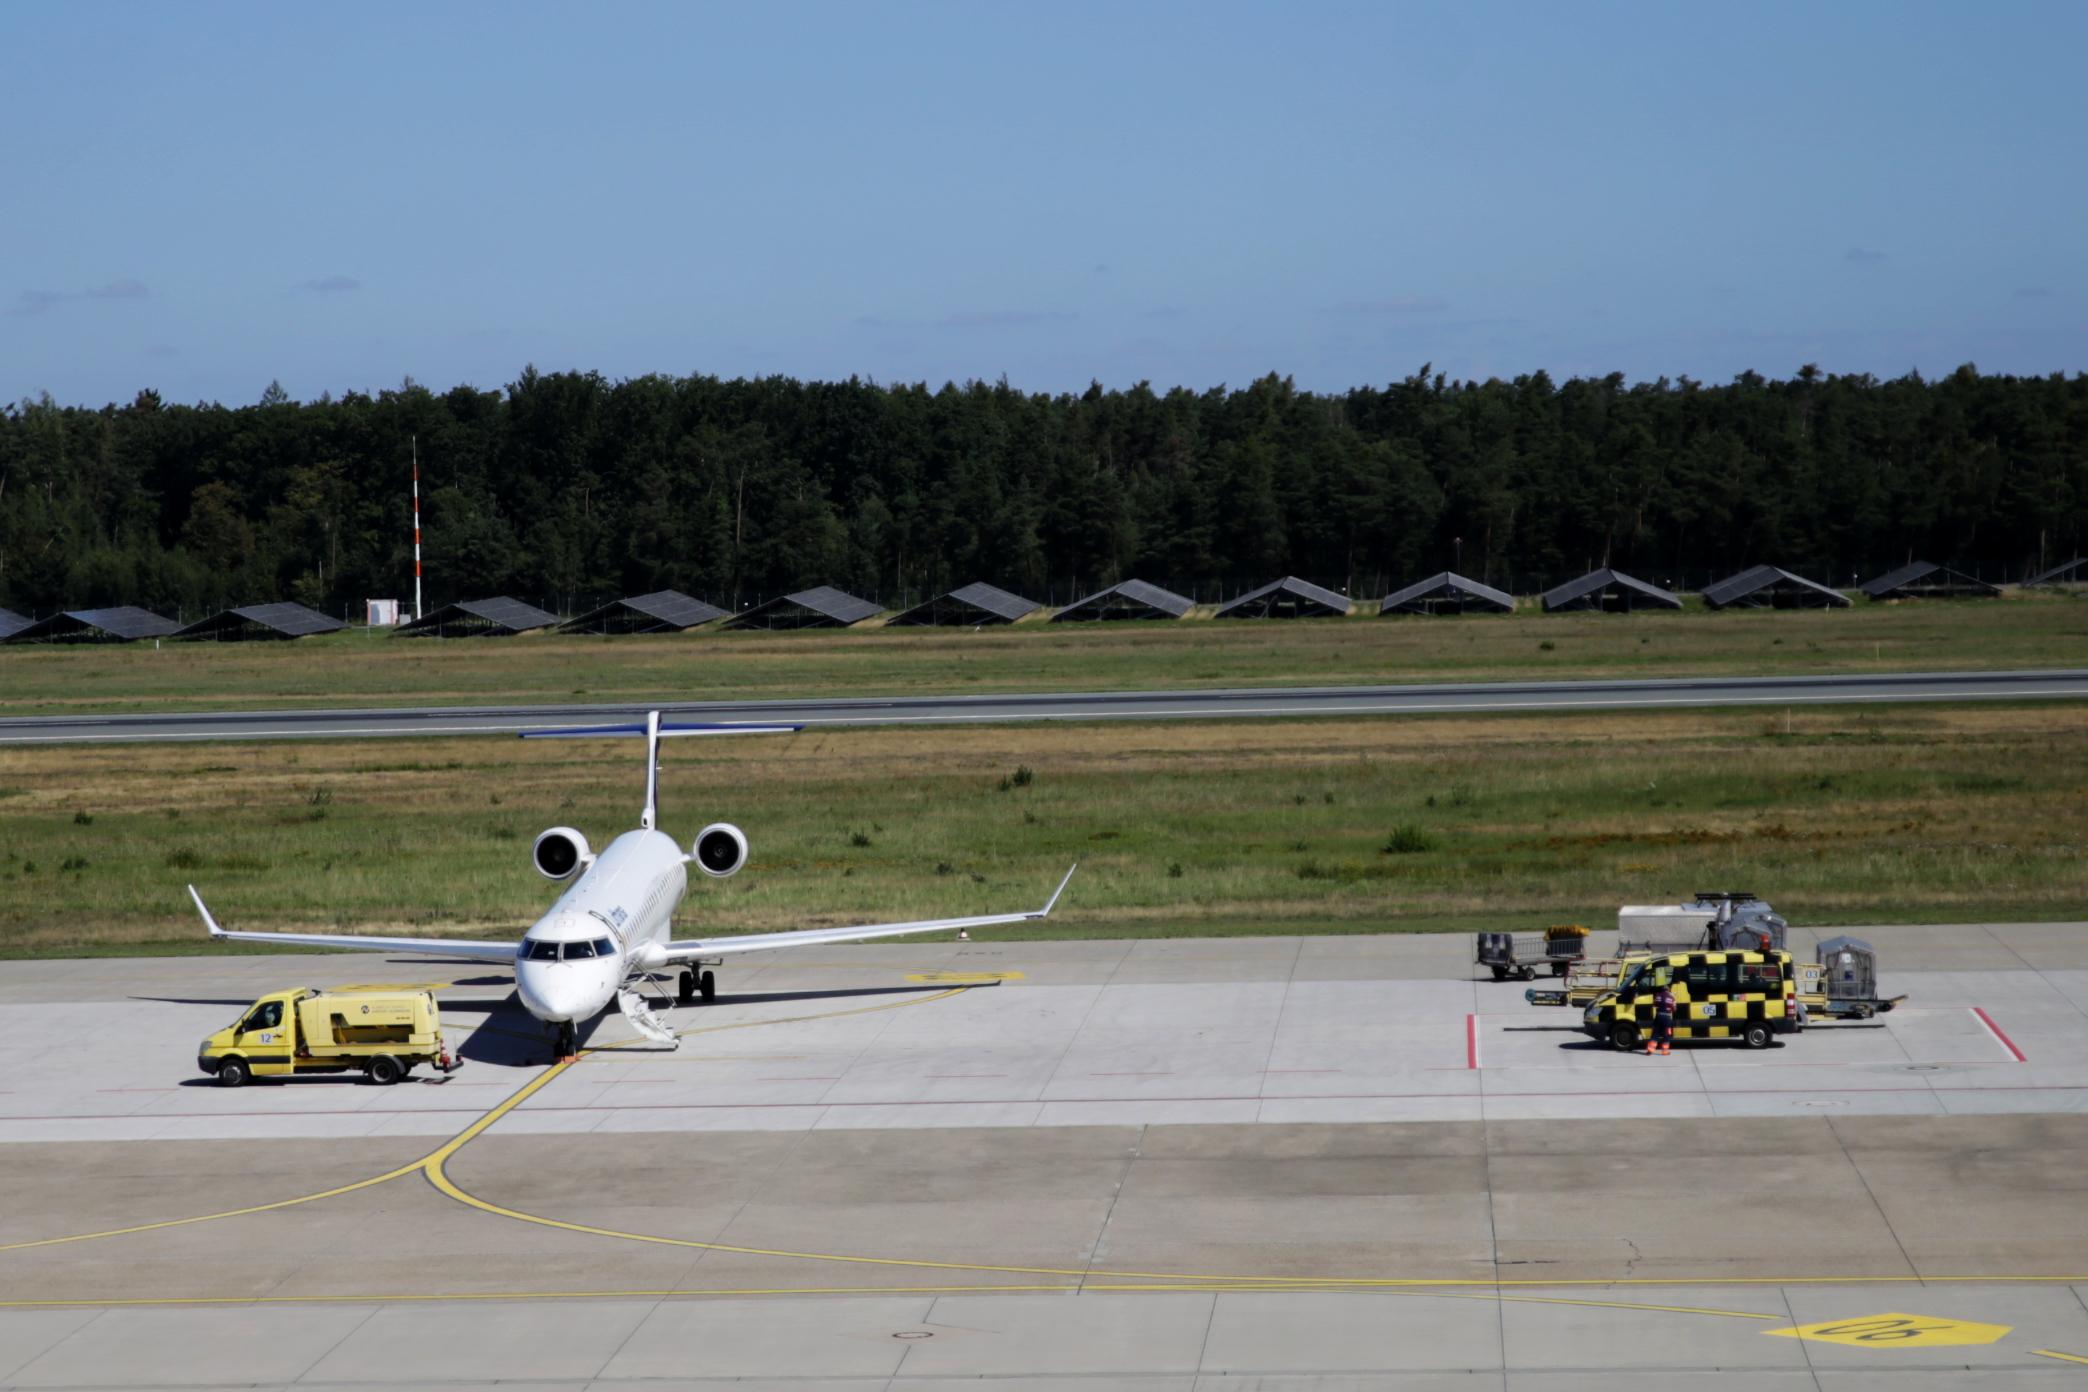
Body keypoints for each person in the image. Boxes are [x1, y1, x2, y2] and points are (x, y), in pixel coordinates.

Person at [1650, 980, 1676, 1056]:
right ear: (1668, 990)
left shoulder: (1658, 995)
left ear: (1662, 989)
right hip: (1667, 1018)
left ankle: (1650, 1050)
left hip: (1658, 1016)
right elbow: (1674, 1009)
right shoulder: (1671, 997)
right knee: (1666, 1034)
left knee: (1655, 1033)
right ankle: (1665, 1051)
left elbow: (1654, 1005)